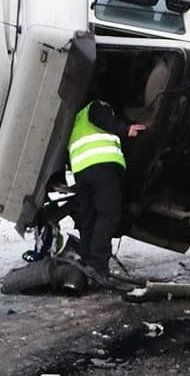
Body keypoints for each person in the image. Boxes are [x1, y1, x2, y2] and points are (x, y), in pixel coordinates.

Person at [68, 99, 146, 277]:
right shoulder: (97, 106)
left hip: (82, 171)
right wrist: (126, 129)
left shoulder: (77, 119)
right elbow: (103, 119)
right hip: (101, 167)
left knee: (89, 218)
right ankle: (98, 266)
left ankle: (86, 261)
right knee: (109, 215)